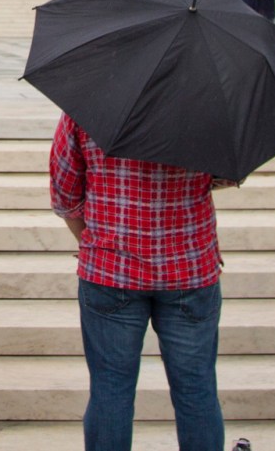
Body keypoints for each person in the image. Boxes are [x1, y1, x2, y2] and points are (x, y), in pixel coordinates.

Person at [50, 111, 227, 451]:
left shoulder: (88, 106)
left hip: (111, 268)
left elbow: (64, 193)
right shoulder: (207, 106)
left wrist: (90, 240)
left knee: (110, 388)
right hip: (189, 267)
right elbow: (228, 173)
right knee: (196, 388)